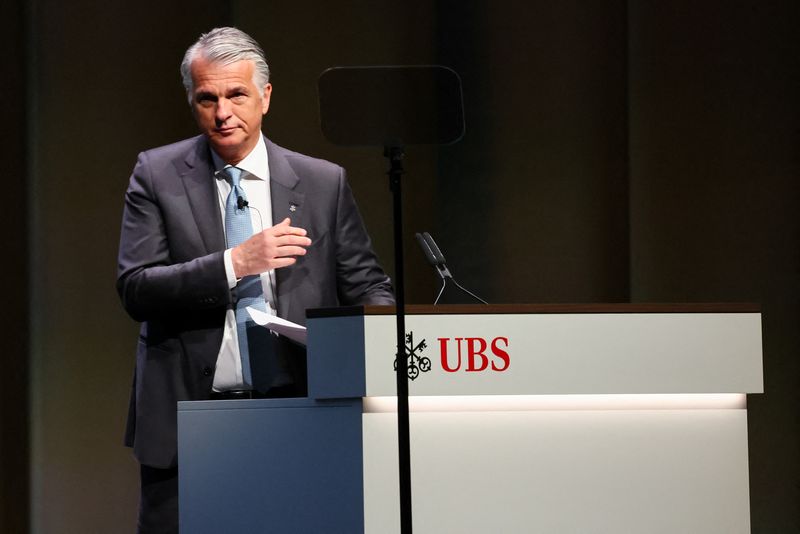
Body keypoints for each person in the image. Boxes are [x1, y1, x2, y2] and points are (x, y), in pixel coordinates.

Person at [116, 27, 394, 534]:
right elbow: (136, 287)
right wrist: (234, 263)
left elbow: (367, 287)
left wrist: (369, 338)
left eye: (236, 94)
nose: (223, 113)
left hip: (301, 414)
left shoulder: (321, 182)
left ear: (265, 96)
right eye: (207, 98)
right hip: (188, 423)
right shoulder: (156, 174)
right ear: (192, 101)